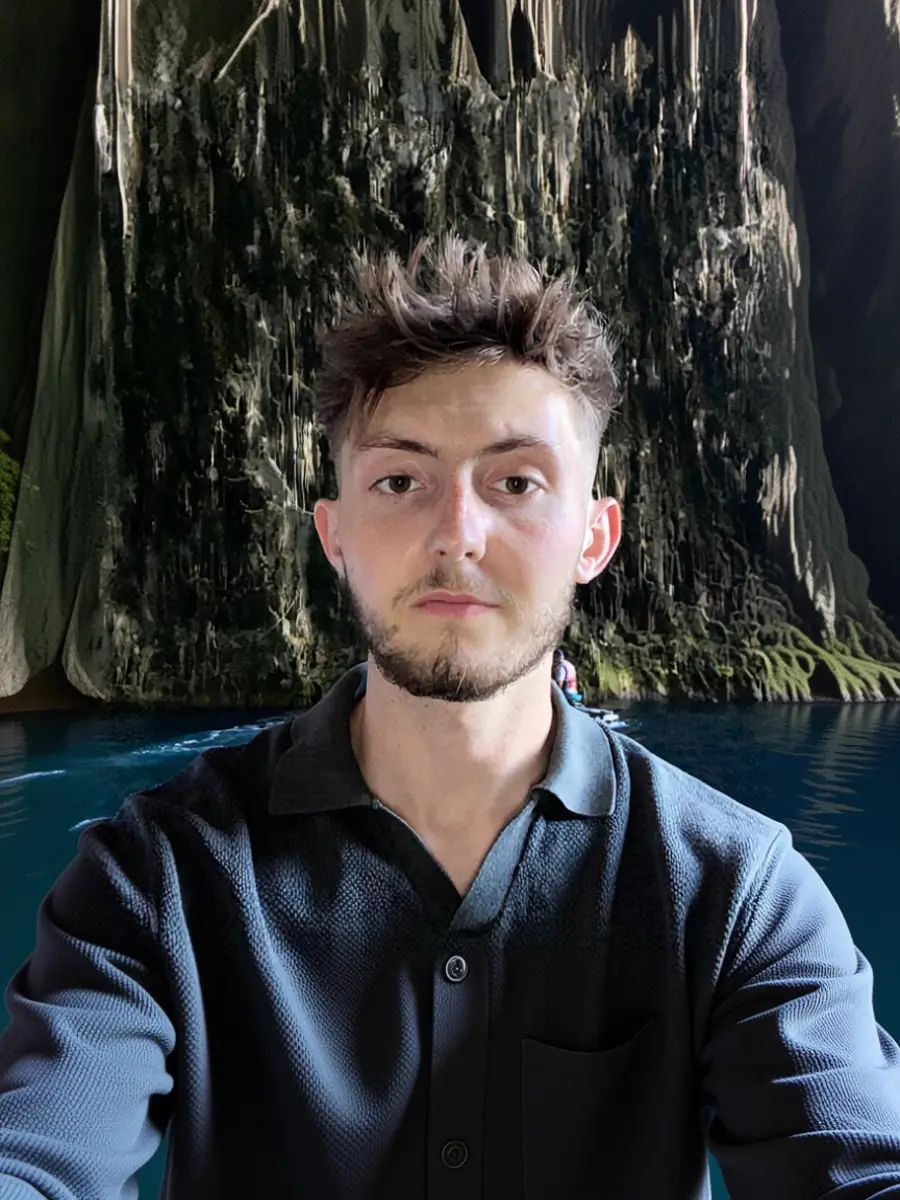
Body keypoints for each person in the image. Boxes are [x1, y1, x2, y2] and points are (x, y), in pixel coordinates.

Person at [1, 235, 899, 1200]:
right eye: (400, 481)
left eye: (517, 482)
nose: (457, 535)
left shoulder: (737, 893)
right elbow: (36, 1157)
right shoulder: (156, 876)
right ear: (335, 536)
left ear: (594, 538)